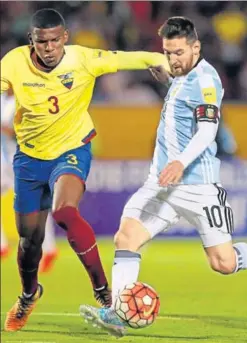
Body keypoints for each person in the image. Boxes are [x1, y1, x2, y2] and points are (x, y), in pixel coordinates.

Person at [79, 16, 247, 338]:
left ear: (196, 47)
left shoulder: (206, 80)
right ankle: (118, 312)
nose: (172, 60)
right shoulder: (179, 74)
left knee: (223, 263)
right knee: (127, 237)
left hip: (198, 187)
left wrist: (180, 161)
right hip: (162, 183)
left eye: (179, 52)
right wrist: (168, 78)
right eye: (167, 52)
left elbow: (208, 130)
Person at [1, 8, 170, 332]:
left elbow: (124, 58)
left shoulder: (83, 59)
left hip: (71, 149)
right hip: (29, 158)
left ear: (64, 38)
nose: (49, 48)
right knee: (29, 242)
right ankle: (28, 294)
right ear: (31, 41)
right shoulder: (13, 63)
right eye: (41, 42)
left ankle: (105, 294)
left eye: (54, 41)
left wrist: (156, 59)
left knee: (64, 211)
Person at [0, 93, 58, 271]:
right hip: (5, 160)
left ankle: (48, 248)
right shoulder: (3, 99)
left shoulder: (26, 98)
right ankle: (2, 246)